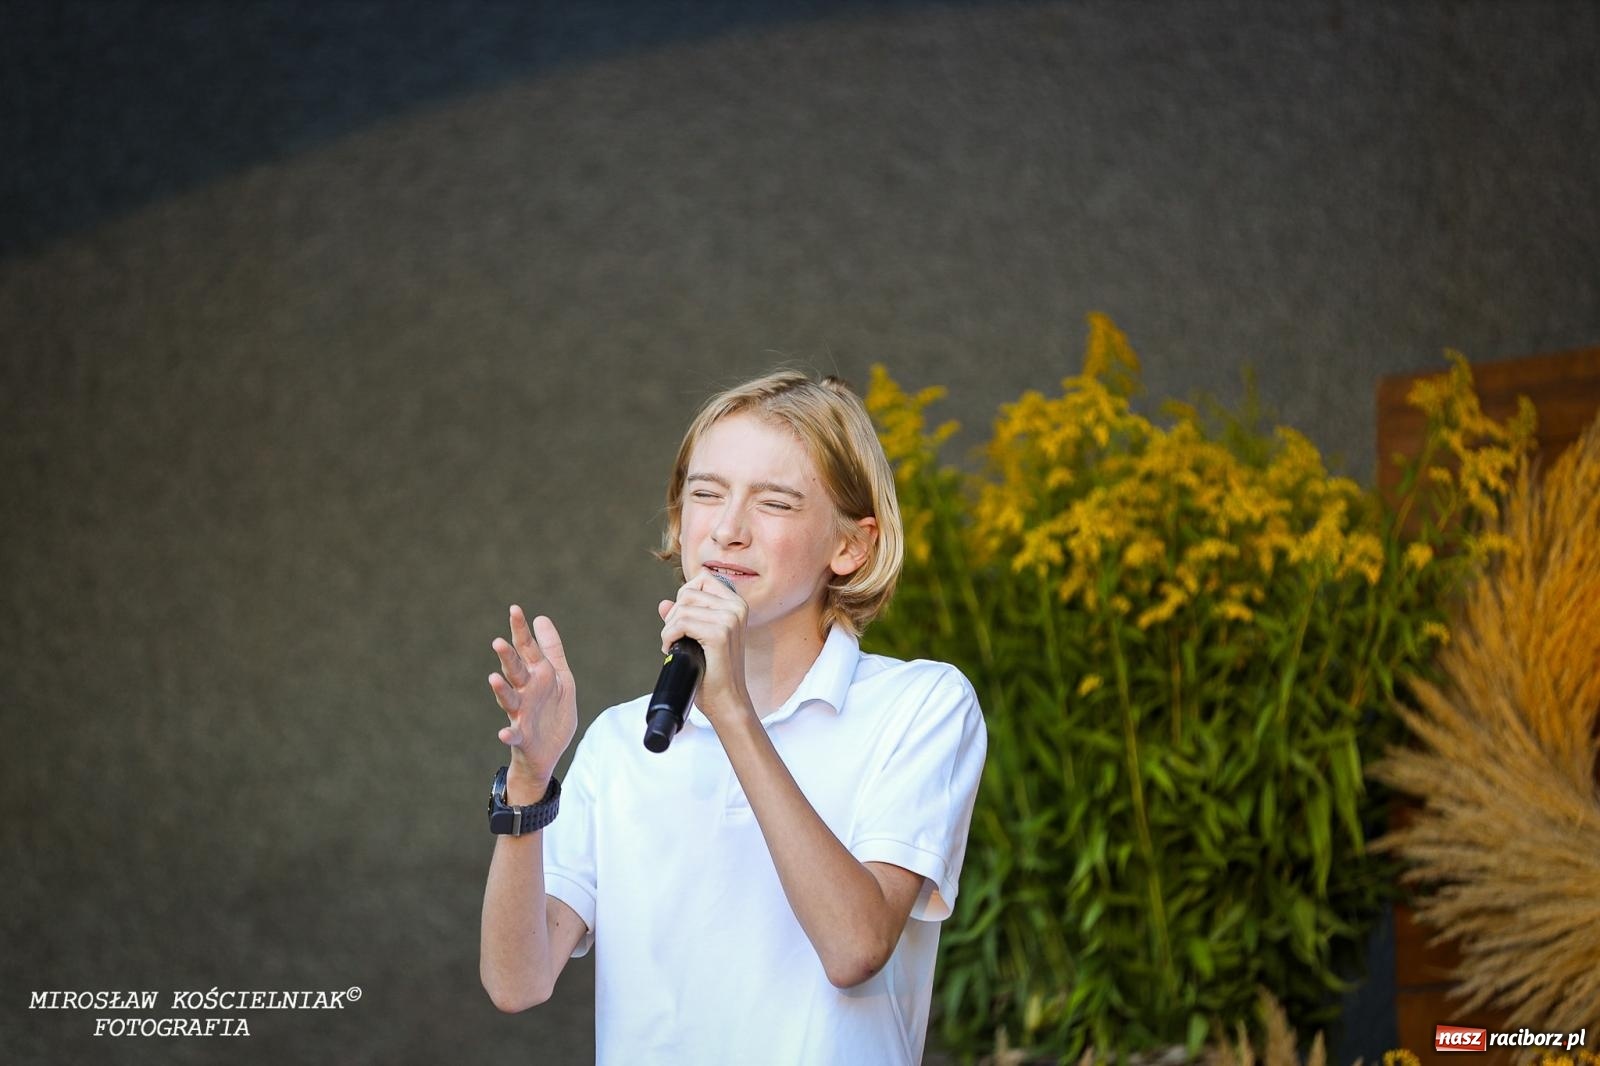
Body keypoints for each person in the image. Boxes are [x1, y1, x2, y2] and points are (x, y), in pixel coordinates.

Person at [479, 369, 987, 1064]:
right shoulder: (622, 741)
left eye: (774, 503)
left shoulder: (920, 706)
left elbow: (855, 949)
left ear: (850, 546)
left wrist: (733, 713)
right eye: (706, 494)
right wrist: (530, 781)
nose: (727, 529)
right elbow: (516, 983)